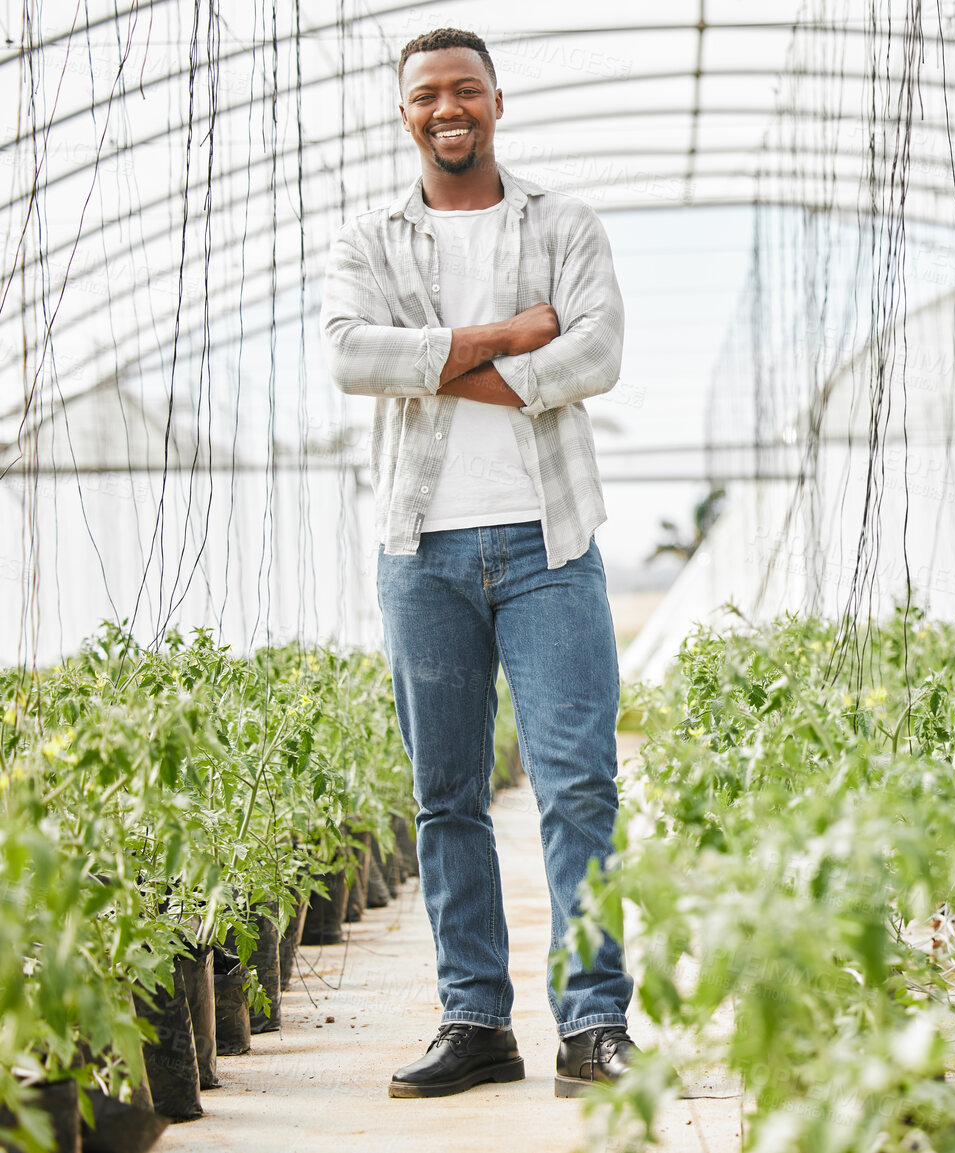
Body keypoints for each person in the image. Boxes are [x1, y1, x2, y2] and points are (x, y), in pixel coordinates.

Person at [320, 26, 636, 1100]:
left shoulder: (564, 223)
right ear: (404, 111)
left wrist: (440, 360)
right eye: (425, 95)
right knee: (445, 793)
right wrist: (511, 335)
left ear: (497, 101)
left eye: (465, 90)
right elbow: (350, 356)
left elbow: (594, 350)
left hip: (550, 542)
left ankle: (593, 1024)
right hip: (423, 552)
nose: (445, 108)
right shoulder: (371, 239)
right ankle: (475, 1019)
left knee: (577, 784)